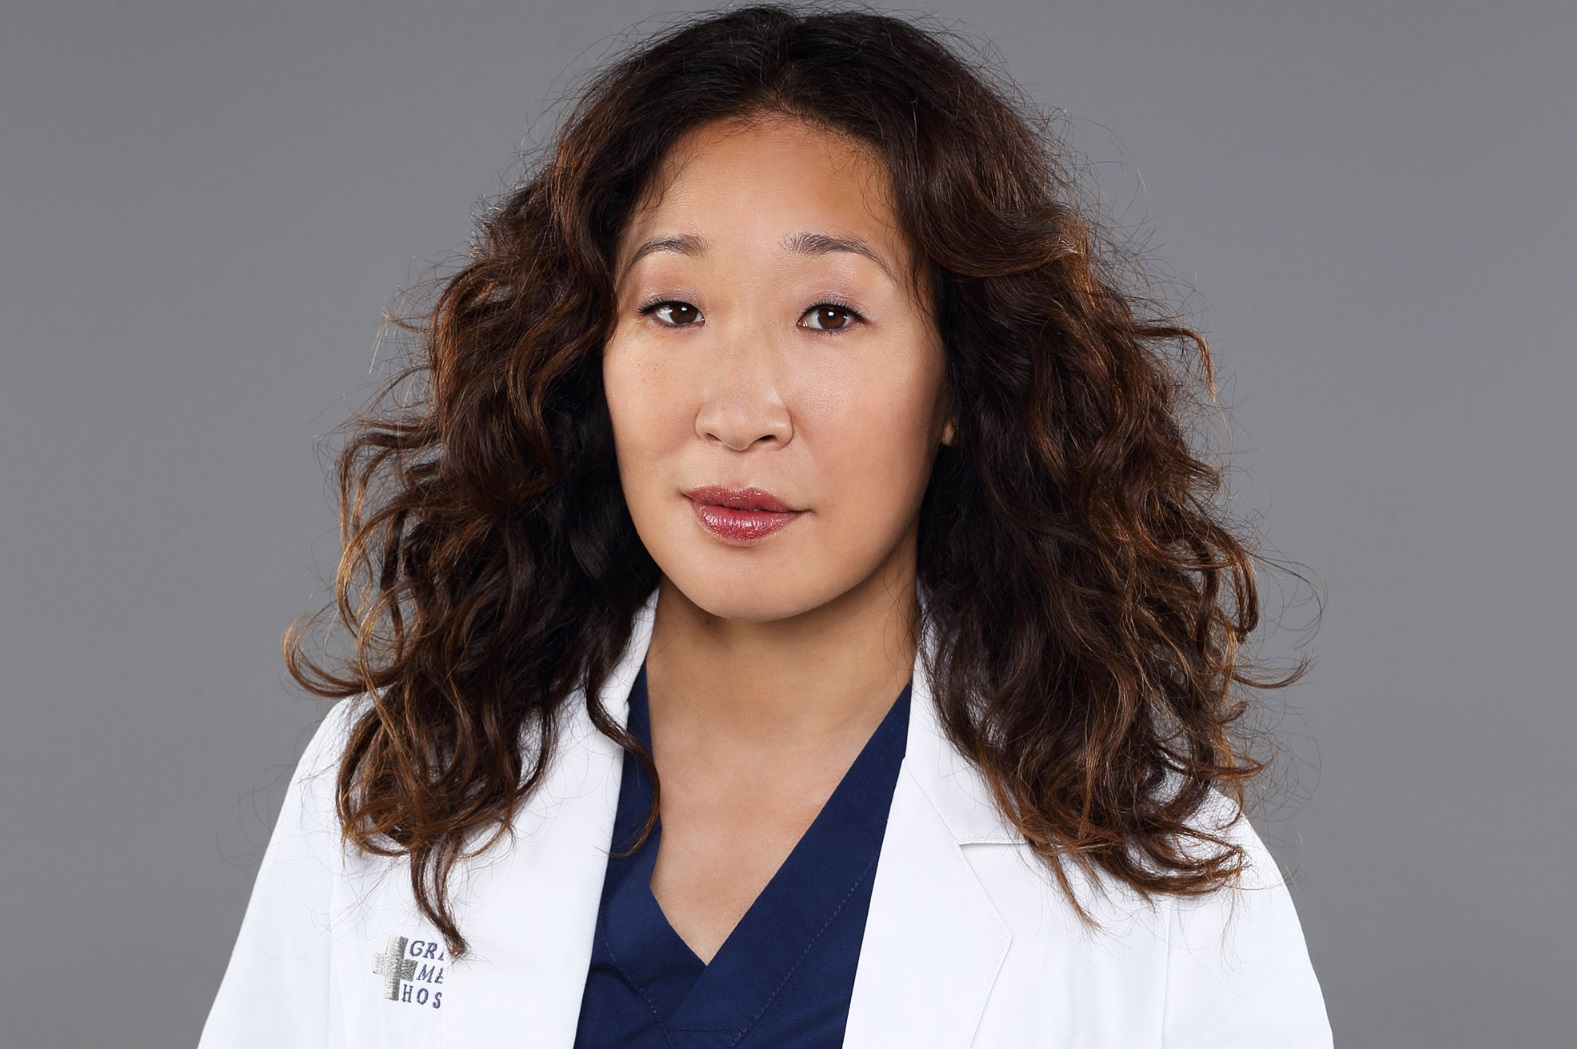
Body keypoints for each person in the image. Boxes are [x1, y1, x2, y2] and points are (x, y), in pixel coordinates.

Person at [199, 4, 1331, 1046]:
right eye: (673, 308)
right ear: (591, 351)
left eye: (829, 314)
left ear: (960, 380)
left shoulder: (1167, 879)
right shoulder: (399, 777)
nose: (738, 412)